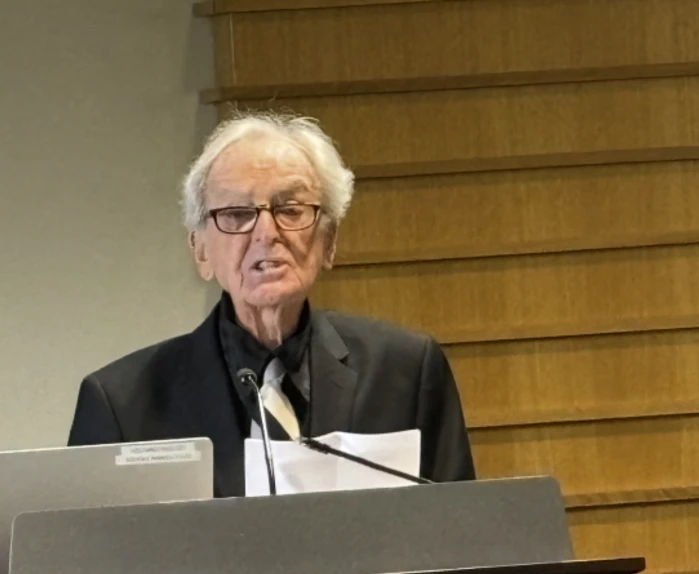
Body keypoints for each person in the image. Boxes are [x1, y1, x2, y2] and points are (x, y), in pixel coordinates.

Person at [68, 113, 475, 496]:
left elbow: (466, 540)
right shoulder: (121, 405)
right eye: (237, 213)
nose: (267, 232)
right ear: (201, 251)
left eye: (290, 209)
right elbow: (89, 564)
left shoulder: (406, 372)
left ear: (329, 241)